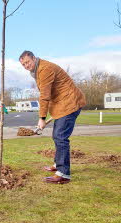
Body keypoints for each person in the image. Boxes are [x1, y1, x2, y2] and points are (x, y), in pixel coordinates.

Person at [19, 50, 86, 184]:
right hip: (62, 104)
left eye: (27, 62)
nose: (26, 66)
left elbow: (45, 95)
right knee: (57, 135)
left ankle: (63, 174)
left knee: (60, 137)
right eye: (23, 64)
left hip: (70, 103)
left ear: (33, 58)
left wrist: (42, 118)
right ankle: (58, 164)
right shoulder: (37, 70)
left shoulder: (44, 69)